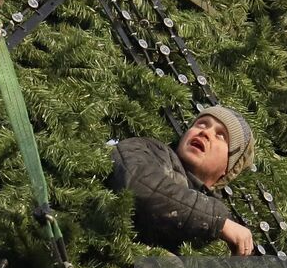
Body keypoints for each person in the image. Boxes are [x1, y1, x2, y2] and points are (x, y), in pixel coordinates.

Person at [108, 105, 257, 255]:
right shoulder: (149, 149)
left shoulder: (220, 237)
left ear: (228, 168)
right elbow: (138, 180)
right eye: (201, 123)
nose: (205, 132)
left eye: (220, 135)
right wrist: (217, 222)